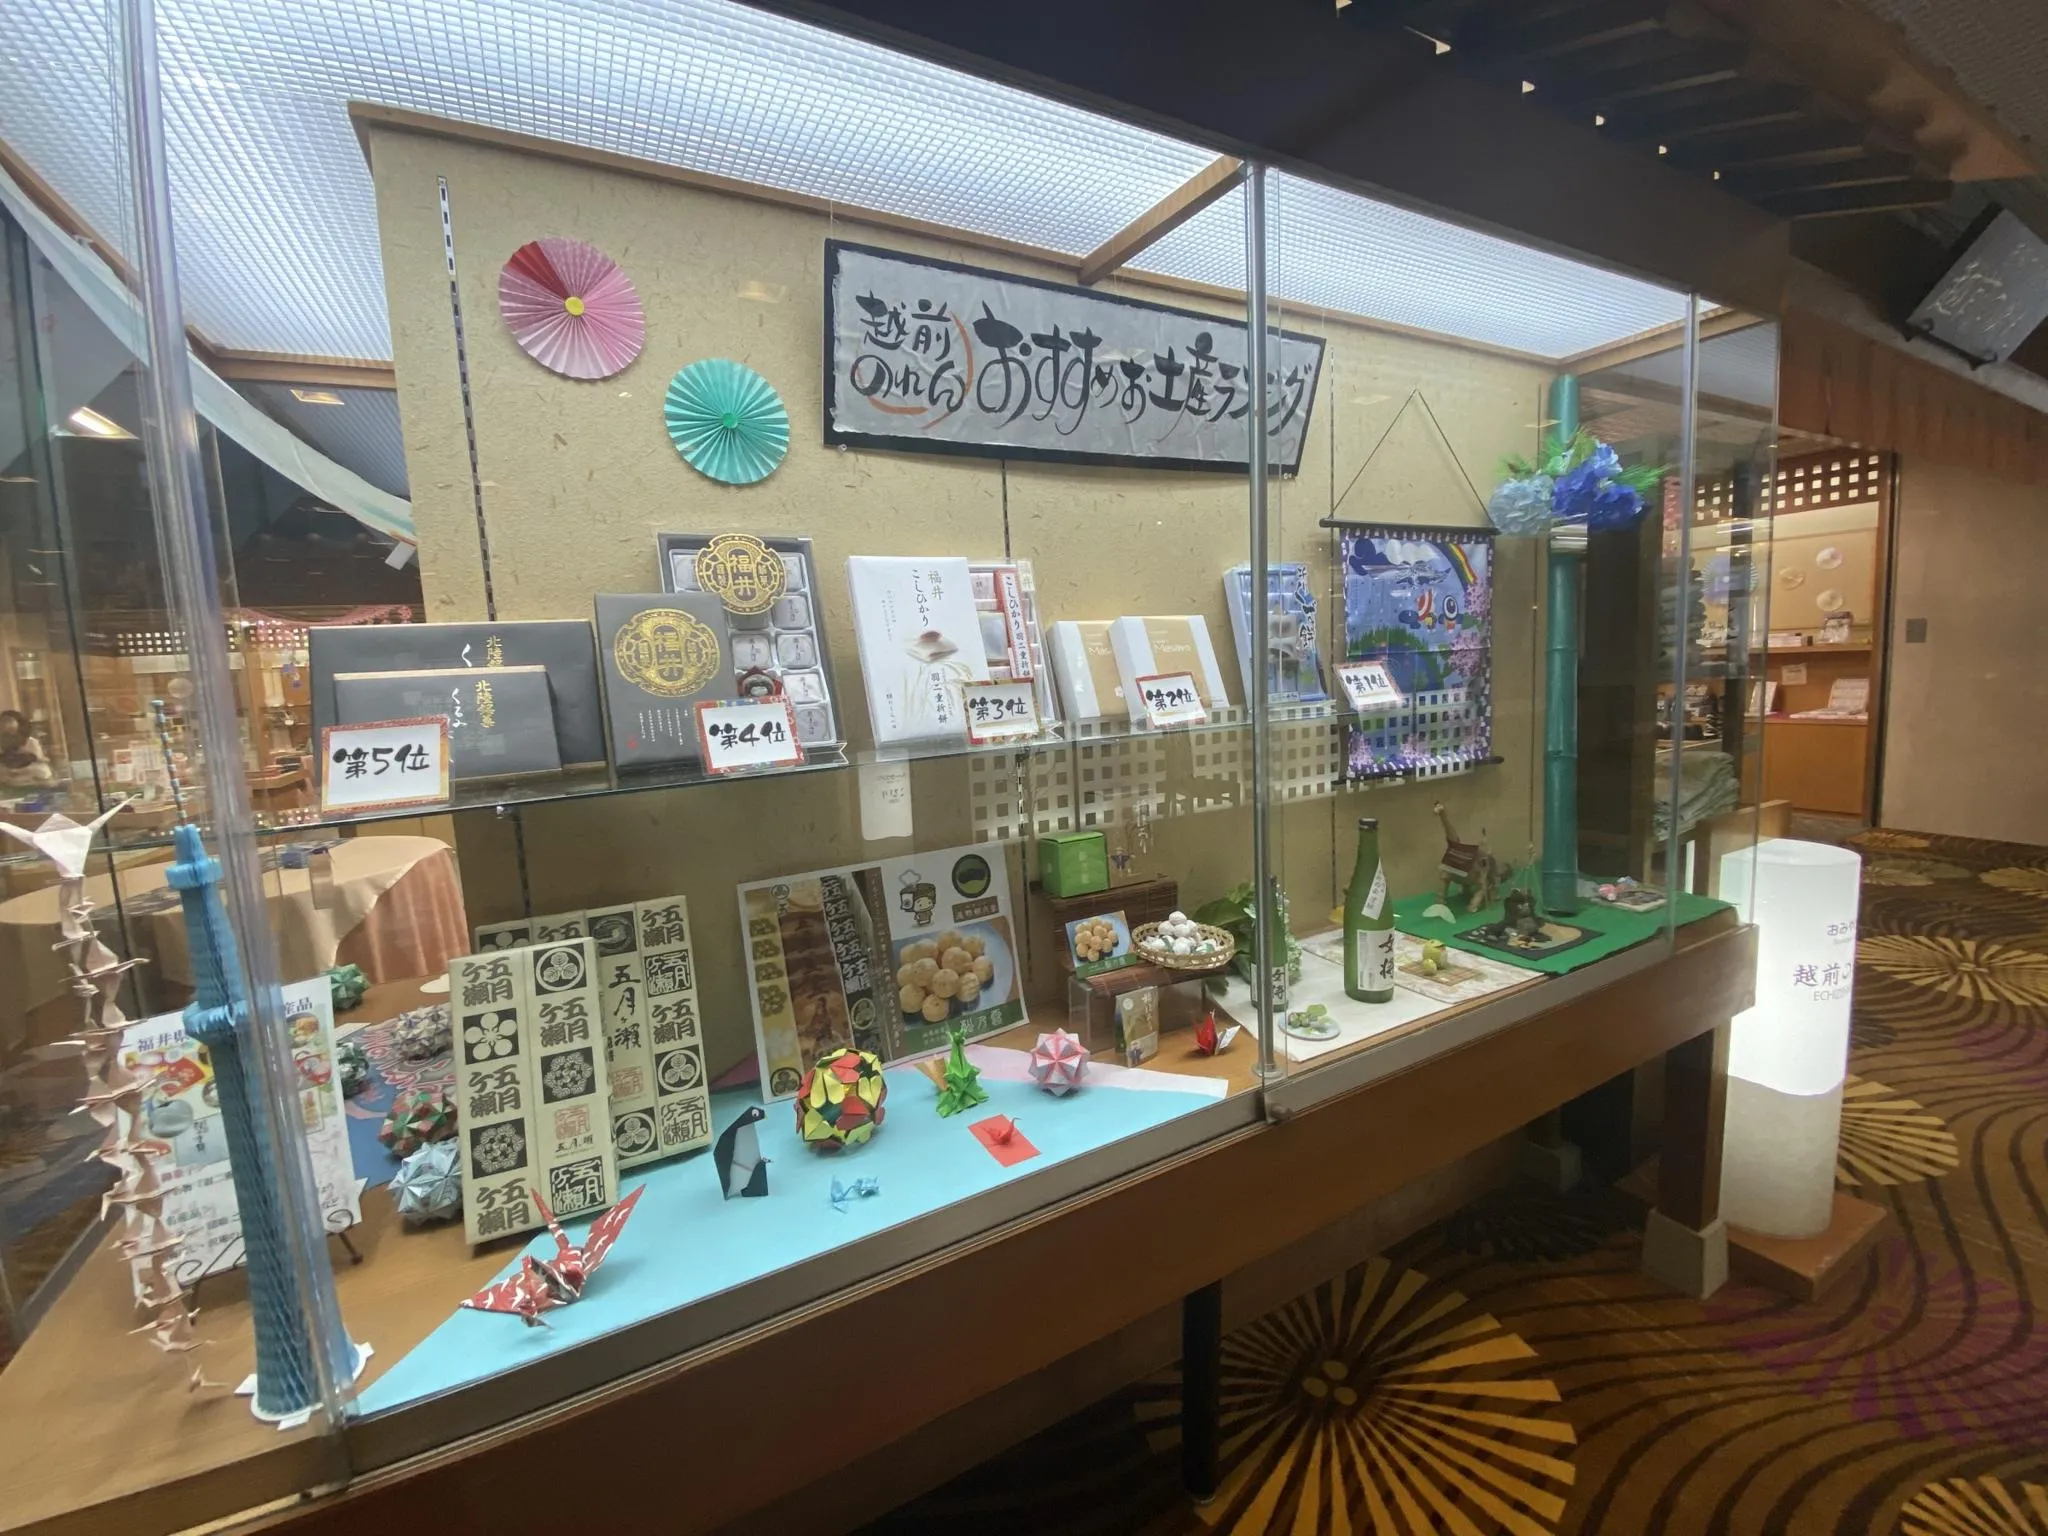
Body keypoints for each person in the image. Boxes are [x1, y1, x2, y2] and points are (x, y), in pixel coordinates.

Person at [0, 709, 54, 788]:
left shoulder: (31, 742)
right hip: (10, 780)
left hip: (34, 778)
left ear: (19, 722)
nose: (5, 724)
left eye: (9, 721)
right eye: (3, 721)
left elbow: (39, 761)